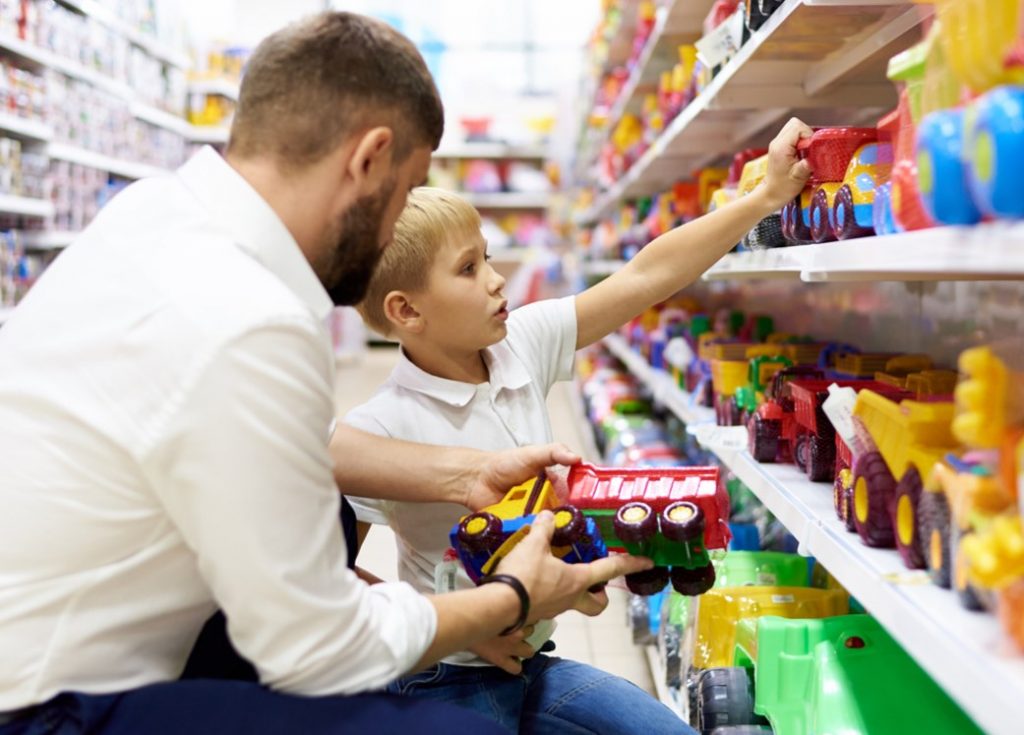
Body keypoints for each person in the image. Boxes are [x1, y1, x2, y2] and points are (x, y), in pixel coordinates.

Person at [0, 12, 653, 735]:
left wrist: (463, 474)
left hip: (66, 630)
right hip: (41, 707)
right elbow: (318, 651)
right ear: (369, 159)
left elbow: (298, 447)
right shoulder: (251, 315)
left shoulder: (154, 216)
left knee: (332, 511)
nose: (392, 231)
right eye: (405, 194)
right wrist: (509, 597)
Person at [345, 119, 813, 732]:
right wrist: (454, 624)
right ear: (406, 312)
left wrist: (764, 198)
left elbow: (645, 275)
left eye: (486, 256)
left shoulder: (522, 343)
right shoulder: (375, 429)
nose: (496, 278)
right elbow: (332, 580)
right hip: (446, 673)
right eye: (467, 269)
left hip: (534, 663)